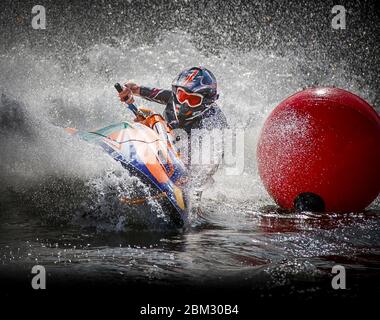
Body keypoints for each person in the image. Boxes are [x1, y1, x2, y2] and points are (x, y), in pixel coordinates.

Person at [118, 67, 228, 199]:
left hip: (192, 164)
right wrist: (128, 91)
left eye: (192, 100)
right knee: (146, 115)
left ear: (206, 102)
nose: (185, 104)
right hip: (168, 147)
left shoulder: (215, 122)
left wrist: (191, 185)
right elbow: (135, 89)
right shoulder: (173, 97)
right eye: (182, 95)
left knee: (200, 171)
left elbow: (210, 166)